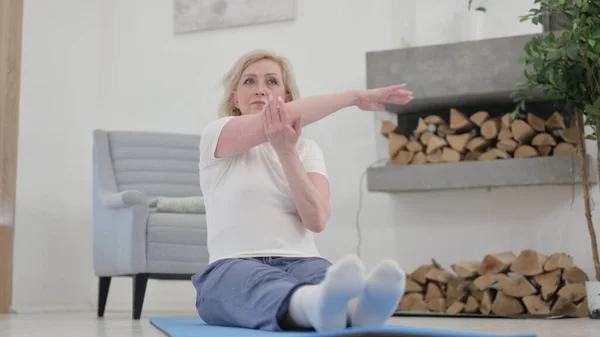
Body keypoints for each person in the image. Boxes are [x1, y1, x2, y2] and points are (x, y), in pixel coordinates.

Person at [191, 49, 414, 332]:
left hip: (301, 262)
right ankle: (318, 306)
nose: (260, 90)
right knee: (252, 283)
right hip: (233, 265)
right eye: (249, 82)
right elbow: (274, 119)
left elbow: (316, 220)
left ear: (286, 97)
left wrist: (286, 152)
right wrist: (354, 98)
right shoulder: (217, 134)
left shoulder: (307, 150)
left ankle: (354, 308)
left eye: (271, 82)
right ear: (235, 98)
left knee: (323, 277)